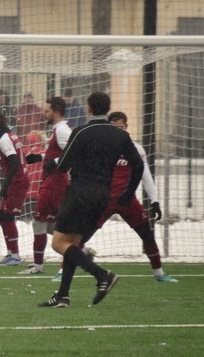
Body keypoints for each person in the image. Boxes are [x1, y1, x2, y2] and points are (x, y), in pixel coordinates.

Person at [38, 92, 144, 308]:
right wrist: (127, 193)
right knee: (74, 244)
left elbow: (64, 164)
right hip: (102, 195)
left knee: (59, 243)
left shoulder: (81, 132)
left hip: (80, 193)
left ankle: (102, 275)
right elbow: (138, 165)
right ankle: (63, 296)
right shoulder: (119, 135)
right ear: (107, 108)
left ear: (88, 108)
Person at [50, 111, 175, 282]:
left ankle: (159, 273)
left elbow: (145, 174)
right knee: (79, 237)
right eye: (115, 127)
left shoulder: (135, 148)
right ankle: (62, 271)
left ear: (126, 127)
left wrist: (154, 200)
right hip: (105, 200)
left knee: (147, 234)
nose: (118, 130)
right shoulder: (106, 146)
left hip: (127, 200)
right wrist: (48, 160)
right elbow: (73, 156)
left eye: (121, 127)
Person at [18, 97, 72, 274]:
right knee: (52, 224)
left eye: (47, 111)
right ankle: (81, 250)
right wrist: (41, 158)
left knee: (39, 221)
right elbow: (59, 153)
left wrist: (54, 162)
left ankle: (39, 265)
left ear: (56, 112)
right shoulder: (57, 129)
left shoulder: (63, 130)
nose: (44, 113)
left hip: (55, 183)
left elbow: (73, 153)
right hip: (51, 181)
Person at [0, 113, 30, 267]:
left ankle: (15, 256)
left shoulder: (5, 140)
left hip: (17, 182)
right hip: (17, 180)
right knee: (3, 215)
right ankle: (10, 253)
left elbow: (14, 162)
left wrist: (6, 184)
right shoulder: (11, 136)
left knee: (7, 216)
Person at [21, 131, 46, 220]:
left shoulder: (22, 152)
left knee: (24, 220)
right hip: (38, 192)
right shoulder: (44, 153)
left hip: (23, 192)